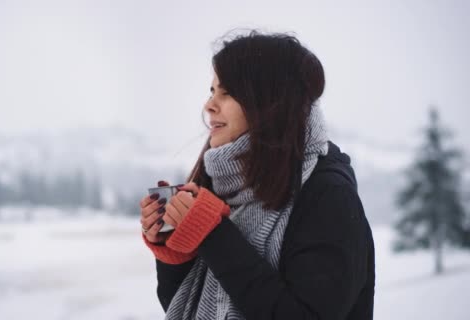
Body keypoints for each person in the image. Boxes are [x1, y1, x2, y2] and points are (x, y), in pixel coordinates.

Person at [139, 31, 375, 320]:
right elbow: (185, 306)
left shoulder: (327, 195)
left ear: (269, 103)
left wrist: (212, 234)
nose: (209, 105)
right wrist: (178, 246)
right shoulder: (222, 182)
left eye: (226, 93)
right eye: (212, 91)